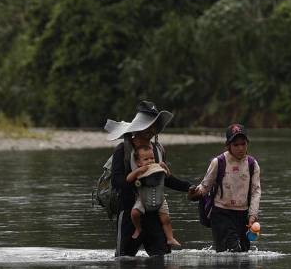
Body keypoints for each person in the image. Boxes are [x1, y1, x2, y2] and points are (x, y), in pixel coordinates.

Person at [105, 100, 192, 257]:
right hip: (130, 215)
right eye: (147, 126)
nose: (151, 130)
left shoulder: (158, 150)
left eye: (154, 126)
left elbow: (166, 179)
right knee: (124, 261)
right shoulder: (123, 151)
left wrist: (190, 187)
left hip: (154, 214)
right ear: (137, 128)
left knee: (161, 259)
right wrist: (138, 179)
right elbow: (116, 182)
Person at [189, 123, 261, 252]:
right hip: (221, 213)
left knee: (244, 252)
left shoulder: (252, 164)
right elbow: (205, 186)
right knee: (232, 250)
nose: (240, 148)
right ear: (228, 145)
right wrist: (194, 193)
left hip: (242, 215)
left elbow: (256, 191)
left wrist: (252, 215)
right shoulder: (219, 162)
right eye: (236, 145)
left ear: (247, 144)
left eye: (243, 144)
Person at [127, 143, 182, 249]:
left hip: (160, 198)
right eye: (146, 159)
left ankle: (170, 237)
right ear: (138, 162)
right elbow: (128, 179)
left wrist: (165, 166)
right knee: (134, 213)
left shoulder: (157, 167)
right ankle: (138, 228)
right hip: (143, 199)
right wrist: (137, 171)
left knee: (166, 219)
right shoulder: (139, 171)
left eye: (152, 158)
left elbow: (168, 176)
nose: (150, 161)